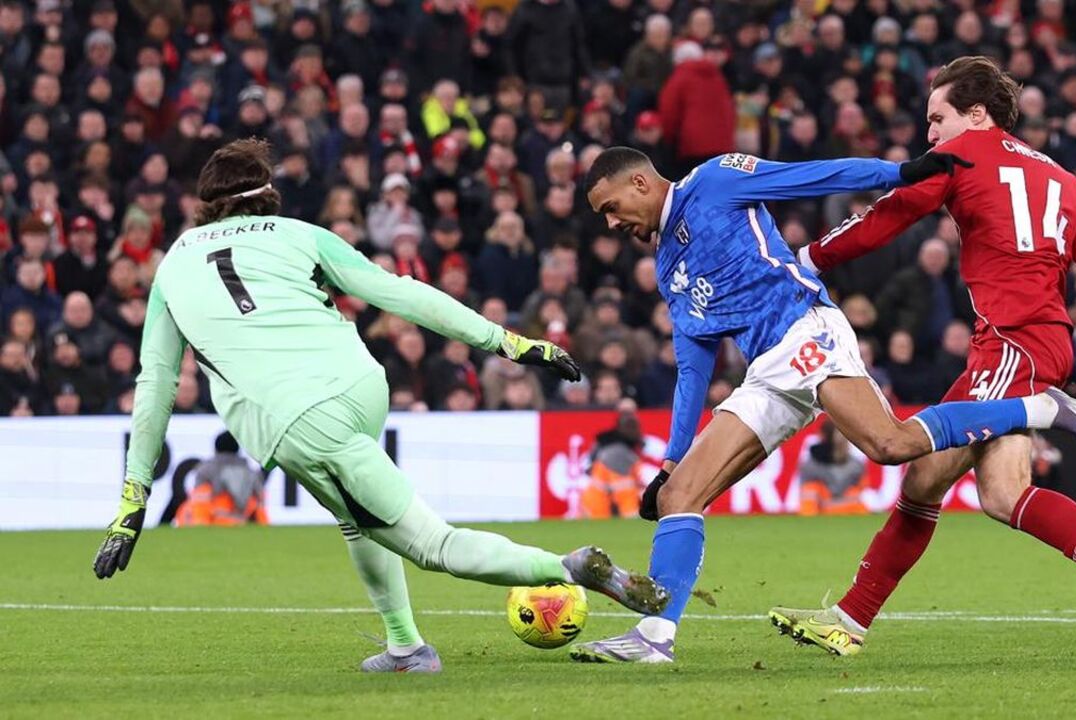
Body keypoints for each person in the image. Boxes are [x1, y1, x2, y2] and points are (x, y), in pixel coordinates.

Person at [91, 139, 668, 673]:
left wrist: (133, 496)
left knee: (431, 544)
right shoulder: (299, 233)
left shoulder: (170, 269)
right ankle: (404, 645)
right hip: (361, 382)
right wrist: (509, 341)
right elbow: (399, 291)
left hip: (299, 420)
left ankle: (567, 569)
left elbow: (156, 385)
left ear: (204, 206)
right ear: (268, 195)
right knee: (356, 519)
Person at [569, 145, 1076, 664]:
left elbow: (813, 175)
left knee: (891, 444)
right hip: (766, 371)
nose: (612, 224)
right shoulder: (668, 264)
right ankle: (654, 637)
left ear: (640, 182)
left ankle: (1042, 409)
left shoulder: (715, 180)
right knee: (679, 495)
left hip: (805, 331)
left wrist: (899, 173)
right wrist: (670, 460)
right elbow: (694, 363)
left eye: (612, 208)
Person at [771, 57, 1076, 657]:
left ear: (976, 114)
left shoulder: (963, 156)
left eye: (937, 119)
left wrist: (806, 260)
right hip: (1036, 342)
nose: (930, 135)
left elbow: (888, 217)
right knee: (952, 485)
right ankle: (850, 620)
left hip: (1014, 345)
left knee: (955, 475)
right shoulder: (1068, 181)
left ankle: (1048, 414)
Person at [175, 431, 269, 526]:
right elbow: (260, 503)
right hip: (240, 522)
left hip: (210, 522)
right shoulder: (251, 473)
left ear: (216, 449)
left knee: (182, 504)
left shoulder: (206, 470)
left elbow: (200, 502)